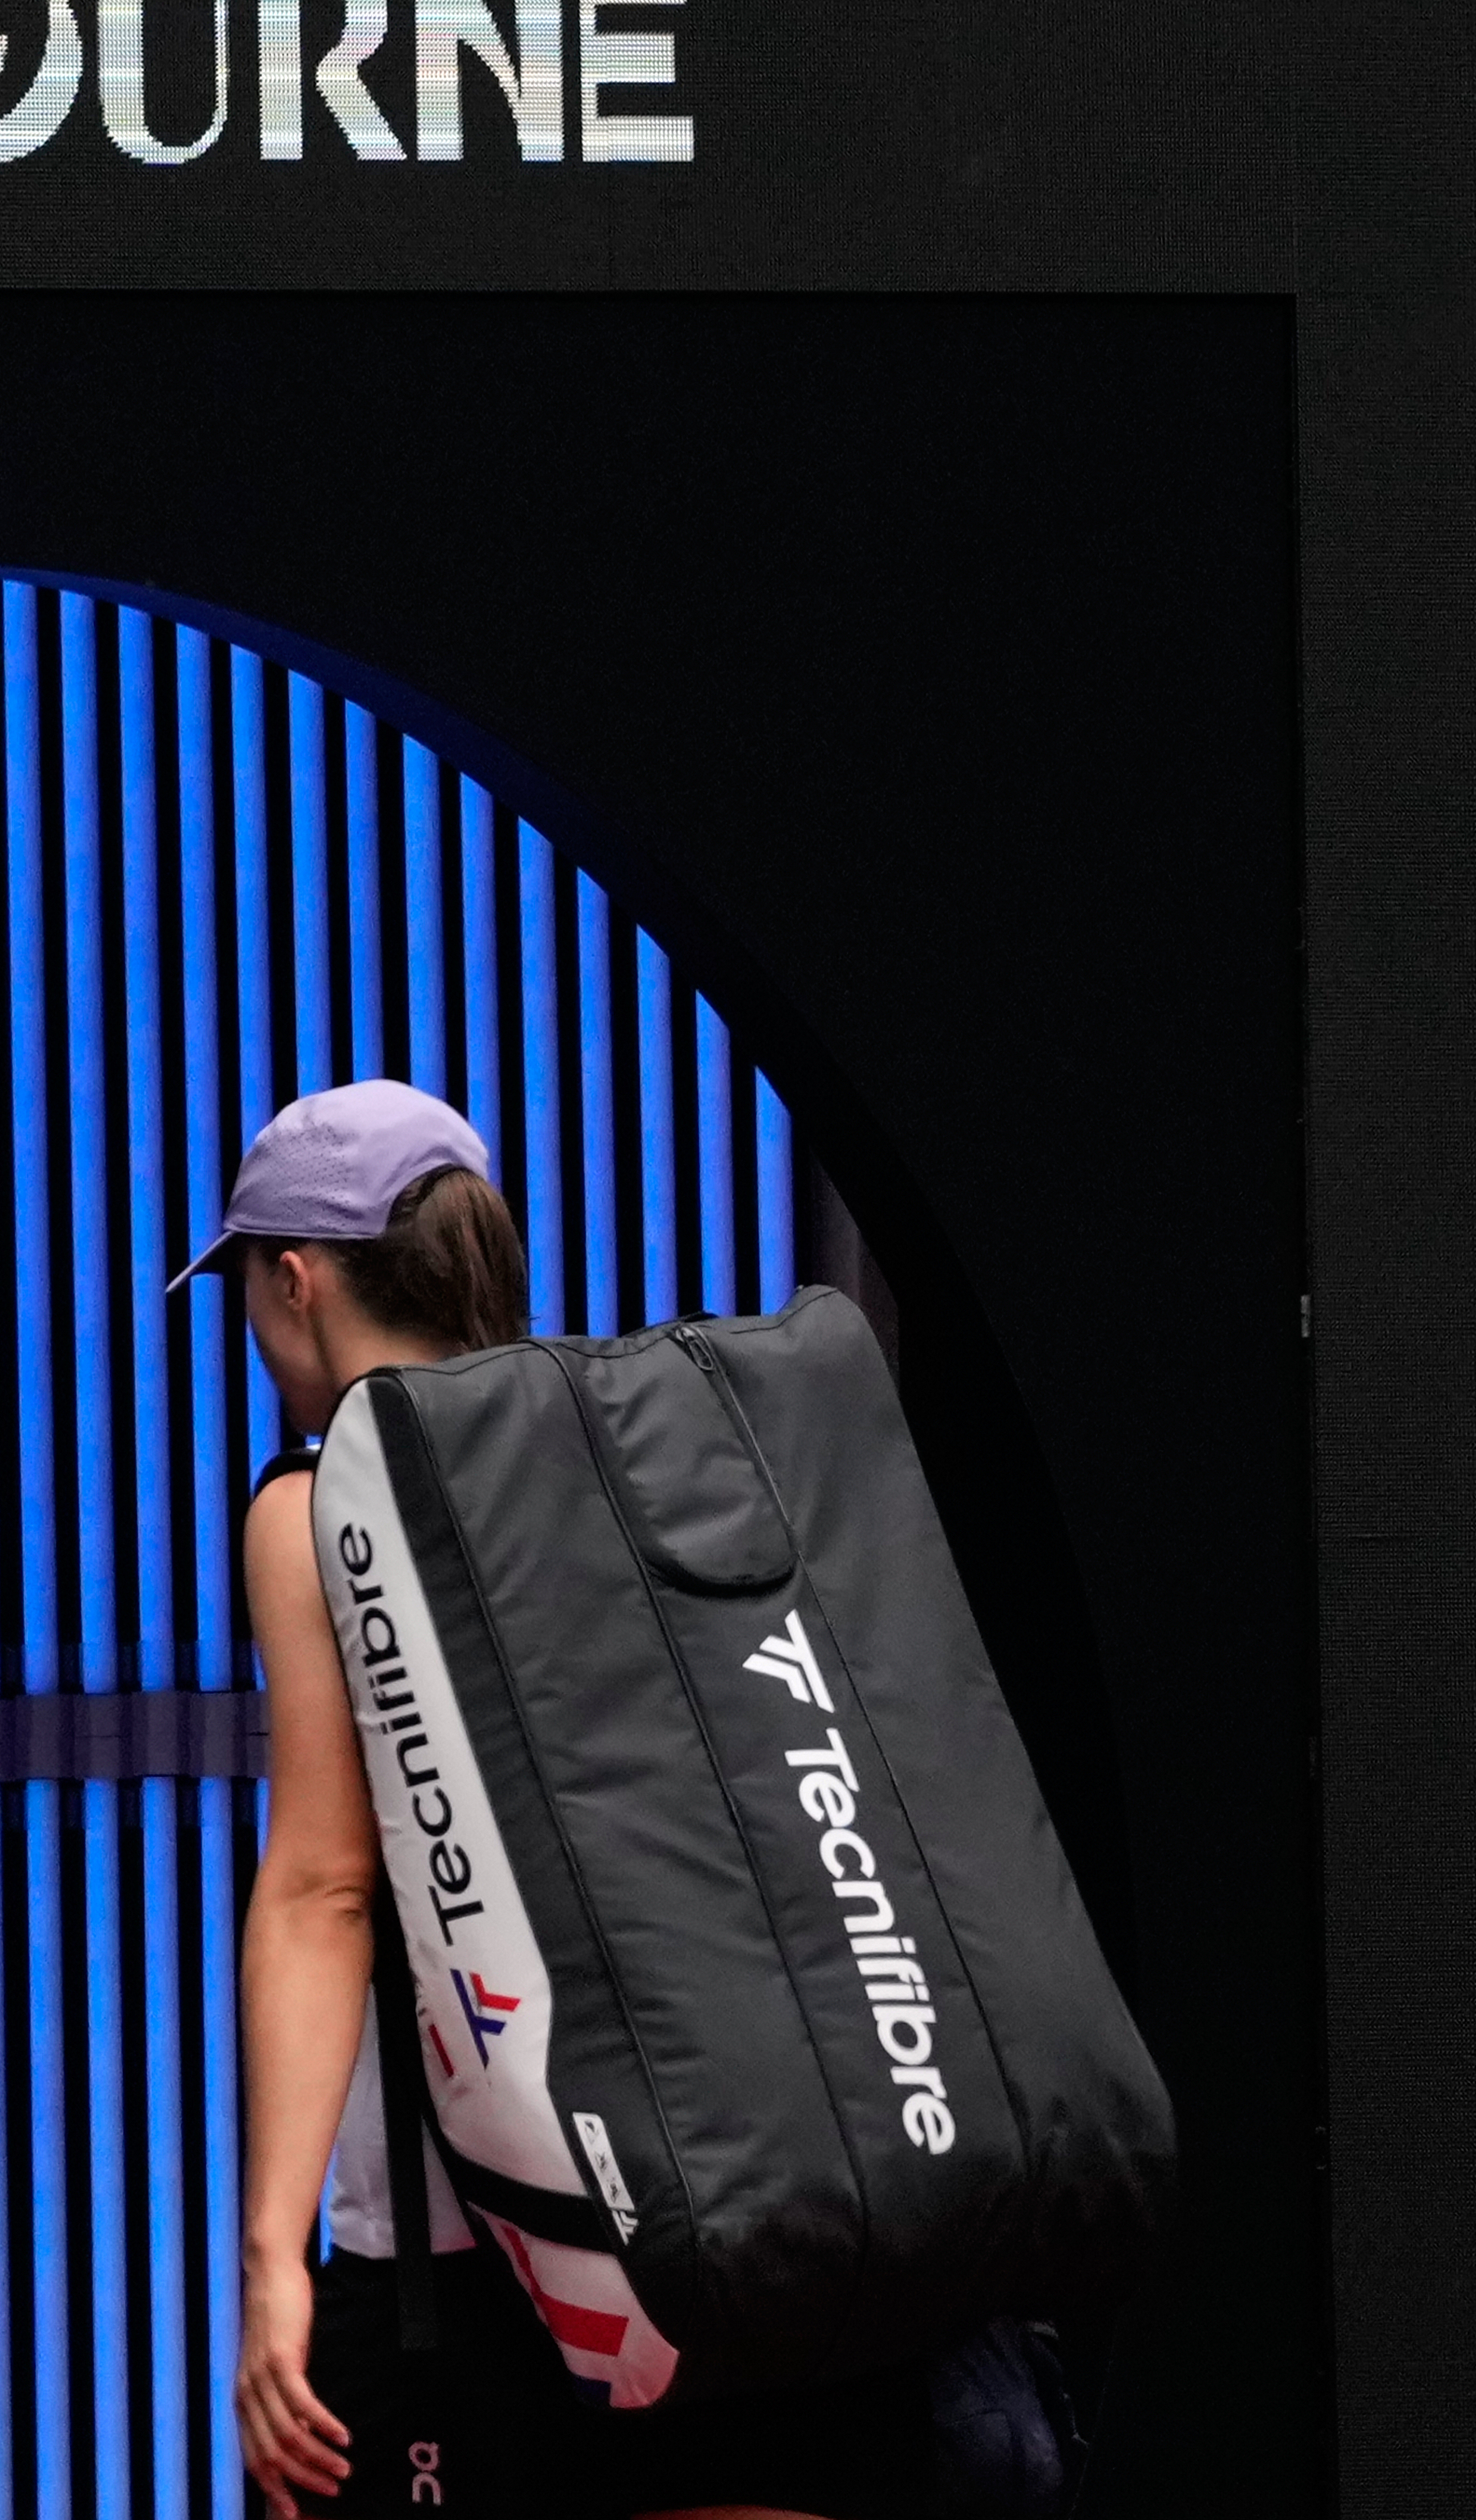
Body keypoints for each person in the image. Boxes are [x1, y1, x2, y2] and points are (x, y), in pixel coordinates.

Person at [221, 1079, 971, 2520]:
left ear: (296, 1278)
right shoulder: (654, 1448)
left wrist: (271, 2263)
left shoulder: (319, 1505)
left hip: (471, 2254)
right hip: (747, 2214)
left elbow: (325, 1887)